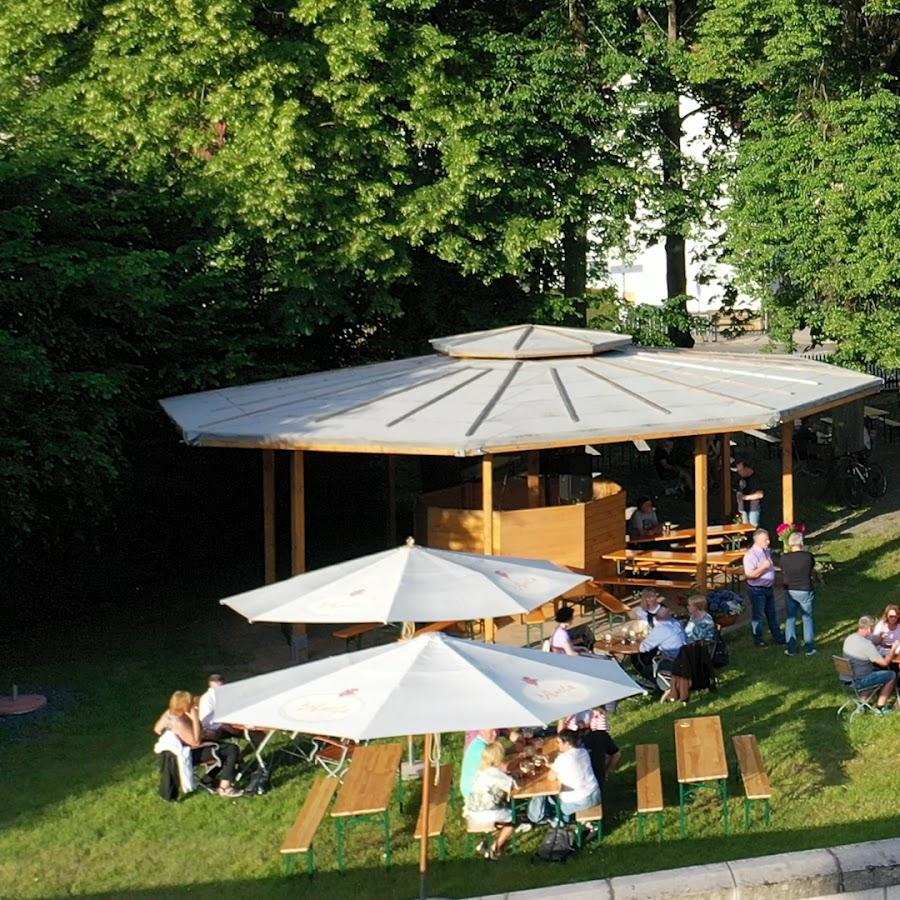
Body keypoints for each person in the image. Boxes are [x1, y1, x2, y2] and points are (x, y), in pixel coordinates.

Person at [153, 690, 242, 796]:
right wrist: (195, 719)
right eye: (190, 703)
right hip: (190, 754)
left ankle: (208, 779)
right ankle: (224, 787)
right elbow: (196, 742)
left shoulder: (168, 714)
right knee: (231, 749)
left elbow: (157, 729)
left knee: (222, 747)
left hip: (177, 751)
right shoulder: (179, 722)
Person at [464, 741, 516, 859]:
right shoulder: (494, 772)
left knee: (502, 815)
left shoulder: (481, 770)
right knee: (514, 818)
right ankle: (495, 848)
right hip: (487, 812)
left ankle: (486, 843)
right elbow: (511, 786)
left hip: (473, 811)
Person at [841, 616, 899, 715]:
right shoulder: (866, 645)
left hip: (847, 678)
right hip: (860, 680)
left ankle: (862, 704)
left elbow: (872, 640)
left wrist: (879, 638)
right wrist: (893, 650)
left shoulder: (850, 638)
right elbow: (884, 663)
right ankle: (881, 707)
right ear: (869, 628)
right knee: (891, 675)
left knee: (875, 670)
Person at [743, 528, 784, 648]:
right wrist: (763, 567)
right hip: (757, 590)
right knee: (758, 616)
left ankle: (777, 636)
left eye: (768, 539)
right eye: (765, 540)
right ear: (758, 540)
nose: (768, 542)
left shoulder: (766, 551)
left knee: (772, 614)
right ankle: (758, 639)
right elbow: (749, 575)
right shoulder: (750, 555)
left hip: (768, 588)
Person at [551, 730, 602, 825]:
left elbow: (551, 777)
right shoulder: (583, 752)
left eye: (559, 742)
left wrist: (552, 766)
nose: (557, 745)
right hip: (596, 794)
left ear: (567, 743)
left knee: (561, 807)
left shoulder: (562, 759)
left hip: (581, 801)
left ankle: (564, 821)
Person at [781, 533, 817, 657]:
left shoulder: (784, 558)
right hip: (805, 589)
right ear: (801, 543)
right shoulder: (808, 557)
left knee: (791, 618)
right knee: (807, 618)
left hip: (790, 590)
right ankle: (809, 648)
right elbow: (812, 568)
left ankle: (791, 649)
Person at [198, 674, 242, 739]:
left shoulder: (226, 695)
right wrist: (229, 728)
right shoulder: (207, 699)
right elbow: (206, 721)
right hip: (215, 729)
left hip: (229, 723)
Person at [460, 728, 497, 799]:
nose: (495, 734)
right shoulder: (482, 747)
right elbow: (504, 767)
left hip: (475, 791)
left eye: (496, 730)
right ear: (481, 730)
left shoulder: (478, 742)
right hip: (475, 794)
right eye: (492, 731)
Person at [735, 459, 764, 526]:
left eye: (740, 470)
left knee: (752, 529)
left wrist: (745, 497)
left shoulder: (755, 479)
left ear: (746, 468)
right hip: (742, 509)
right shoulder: (741, 478)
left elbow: (760, 494)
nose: (739, 472)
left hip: (753, 509)